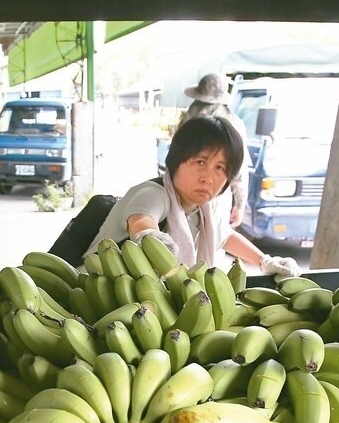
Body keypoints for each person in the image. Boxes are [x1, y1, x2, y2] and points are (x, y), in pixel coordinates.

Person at [88, 114, 301, 277]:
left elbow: (224, 236)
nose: (208, 177)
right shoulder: (154, 193)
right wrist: (149, 236)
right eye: (200, 162)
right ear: (177, 160)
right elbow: (141, 218)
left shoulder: (205, 208)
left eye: (220, 168)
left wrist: (265, 261)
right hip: (94, 291)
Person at [180, 72, 253, 228]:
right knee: (212, 241)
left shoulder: (190, 119)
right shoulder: (235, 124)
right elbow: (239, 170)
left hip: (185, 195)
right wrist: (240, 205)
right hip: (216, 196)